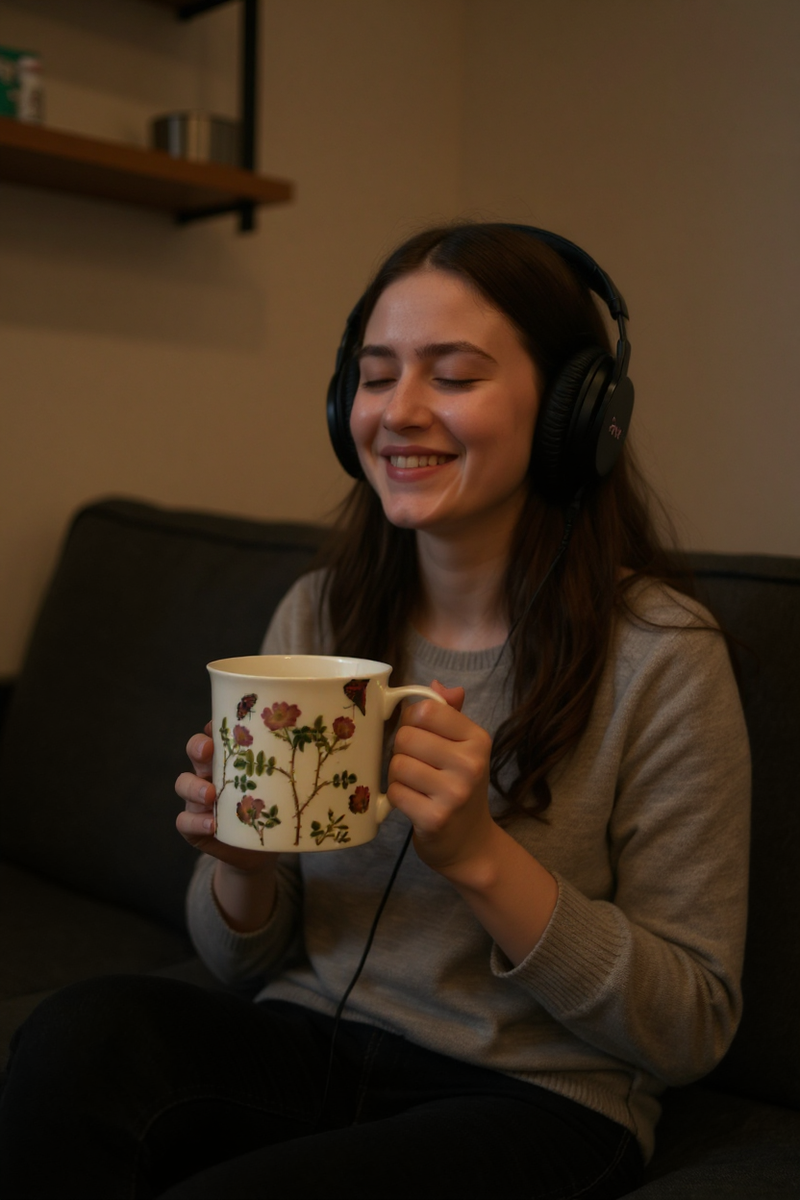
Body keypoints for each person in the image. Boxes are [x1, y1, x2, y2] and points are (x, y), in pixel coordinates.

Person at [0, 223, 750, 1200]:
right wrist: (241, 861)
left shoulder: (661, 656)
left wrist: (482, 859)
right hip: (310, 1040)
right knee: (75, 1038)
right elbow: (242, 960)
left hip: (533, 1098)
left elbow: (690, 1023)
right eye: (375, 372)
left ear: (576, 412)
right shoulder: (319, 615)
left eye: (451, 375)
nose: (397, 412)